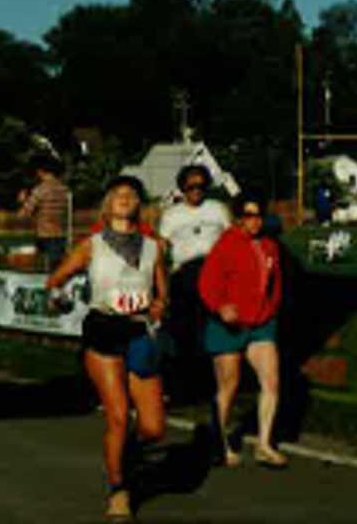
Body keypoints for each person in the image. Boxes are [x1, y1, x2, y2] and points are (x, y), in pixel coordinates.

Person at [46, 175, 168, 520]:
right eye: (119, 193)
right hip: (103, 330)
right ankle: (119, 491)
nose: (126, 197)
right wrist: (59, 298)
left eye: (132, 194)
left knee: (153, 428)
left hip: (139, 331)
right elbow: (55, 281)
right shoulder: (92, 244)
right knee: (117, 416)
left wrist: (160, 304)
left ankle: (125, 458)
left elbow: (162, 291)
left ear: (138, 205)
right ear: (108, 203)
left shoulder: (153, 246)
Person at [200, 192, 286, 469]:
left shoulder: (270, 245)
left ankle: (264, 444)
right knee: (229, 385)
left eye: (259, 215)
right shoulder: (226, 244)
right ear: (238, 218)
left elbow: (275, 284)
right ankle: (220, 443)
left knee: (271, 381)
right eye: (249, 215)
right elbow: (207, 283)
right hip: (228, 325)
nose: (255, 221)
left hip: (260, 324)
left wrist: (270, 309)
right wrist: (221, 306)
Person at [158, 164, 231, 405]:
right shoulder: (172, 215)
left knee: (214, 332)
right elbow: (162, 248)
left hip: (215, 273)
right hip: (185, 275)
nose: (196, 190)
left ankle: (214, 386)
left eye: (200, 186)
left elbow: (233, 240)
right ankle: (184, 388)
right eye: (191, 186)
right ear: (182, 188)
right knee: (185, 333)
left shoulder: (218, 209)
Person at [19, 153, 71, 267]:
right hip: (61, 237)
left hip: (44, 237)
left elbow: (23, 215)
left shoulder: (40, 190)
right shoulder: (65, 190)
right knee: (57, 271)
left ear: (40, 171)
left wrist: (23, 200)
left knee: (43, 273)